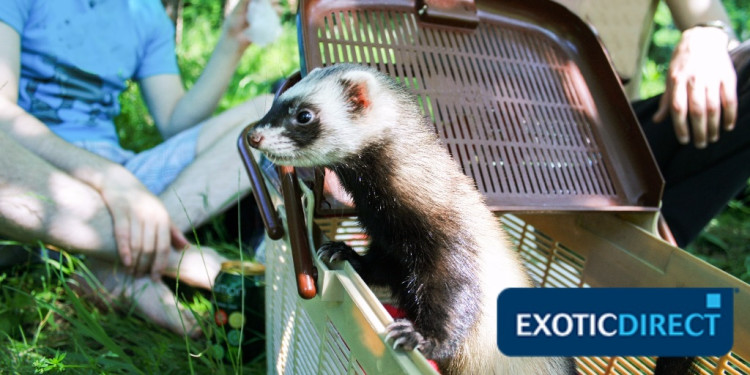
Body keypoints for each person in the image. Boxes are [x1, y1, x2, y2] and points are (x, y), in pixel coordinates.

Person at [0, 0, 273, 336]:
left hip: (125, 176)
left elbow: (175, 120)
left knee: (268, 113)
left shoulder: (144, 12)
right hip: (36, 176)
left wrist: (231, 44)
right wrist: (109, 178)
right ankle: (154, 257)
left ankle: (114, 258)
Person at [557, 0, 748, 248]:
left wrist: (706, 34)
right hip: (515, 145)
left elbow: (716, 25)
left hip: (614, 144)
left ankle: (644, 257)